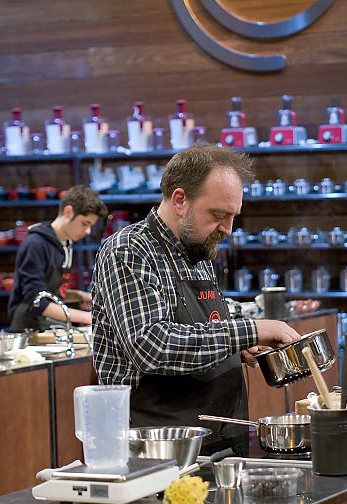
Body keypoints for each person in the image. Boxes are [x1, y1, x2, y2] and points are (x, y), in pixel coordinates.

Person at [91, 145, 301, 454]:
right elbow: (152, 346)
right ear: (179, 200)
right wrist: (250, 330)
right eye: (219, 215)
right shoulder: (129, 250)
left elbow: (200, 326)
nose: (228, 229)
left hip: (220, 433)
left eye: (233, 216)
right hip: (156, 446)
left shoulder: (198, 248)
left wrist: (237, 344)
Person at [8, 185, 108, 331]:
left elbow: (52, 293)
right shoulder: (35, 244)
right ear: (68, 212)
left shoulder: (66, 244)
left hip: (50, 326)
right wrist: (89, 318)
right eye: (85, 223)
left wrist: (81, 296)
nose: (88, 231)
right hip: (29, 329)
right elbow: (38, 301)